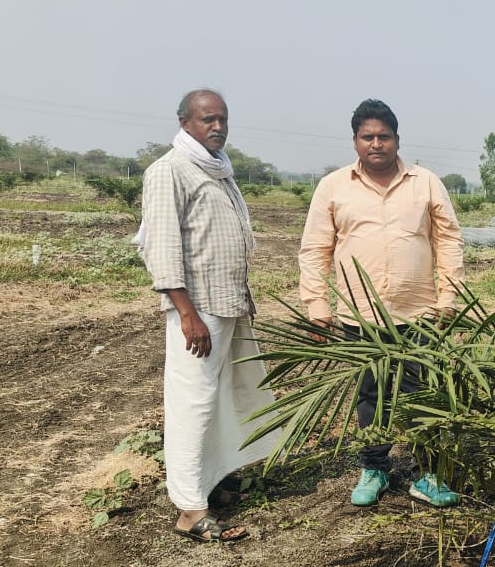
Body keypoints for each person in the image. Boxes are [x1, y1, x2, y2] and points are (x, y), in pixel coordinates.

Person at [298, 99, 465, 507]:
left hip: (421, 315)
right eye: (367, 137)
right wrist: (317, 305)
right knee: (370, 395)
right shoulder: (334, 187)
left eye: (384, 137)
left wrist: (449, 298)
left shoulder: (425, 182)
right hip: (362, 317)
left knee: (423, 394)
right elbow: (315, 249)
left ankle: (427, 474)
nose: (376, 144)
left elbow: (448, 241)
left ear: (396, 140)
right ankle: (375, 469)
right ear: (355, 142)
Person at [138, 89, 281, 543]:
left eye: (221, 119)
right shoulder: (169, 171)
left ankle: (212, 482)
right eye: (206, 120)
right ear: (185, 123)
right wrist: (186, 314)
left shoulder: (219, 170)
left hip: (229, 303)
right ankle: (189, 509)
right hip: (198, 311)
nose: (216, 127)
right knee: (192, 403)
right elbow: (160, 247)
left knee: (223, 396)